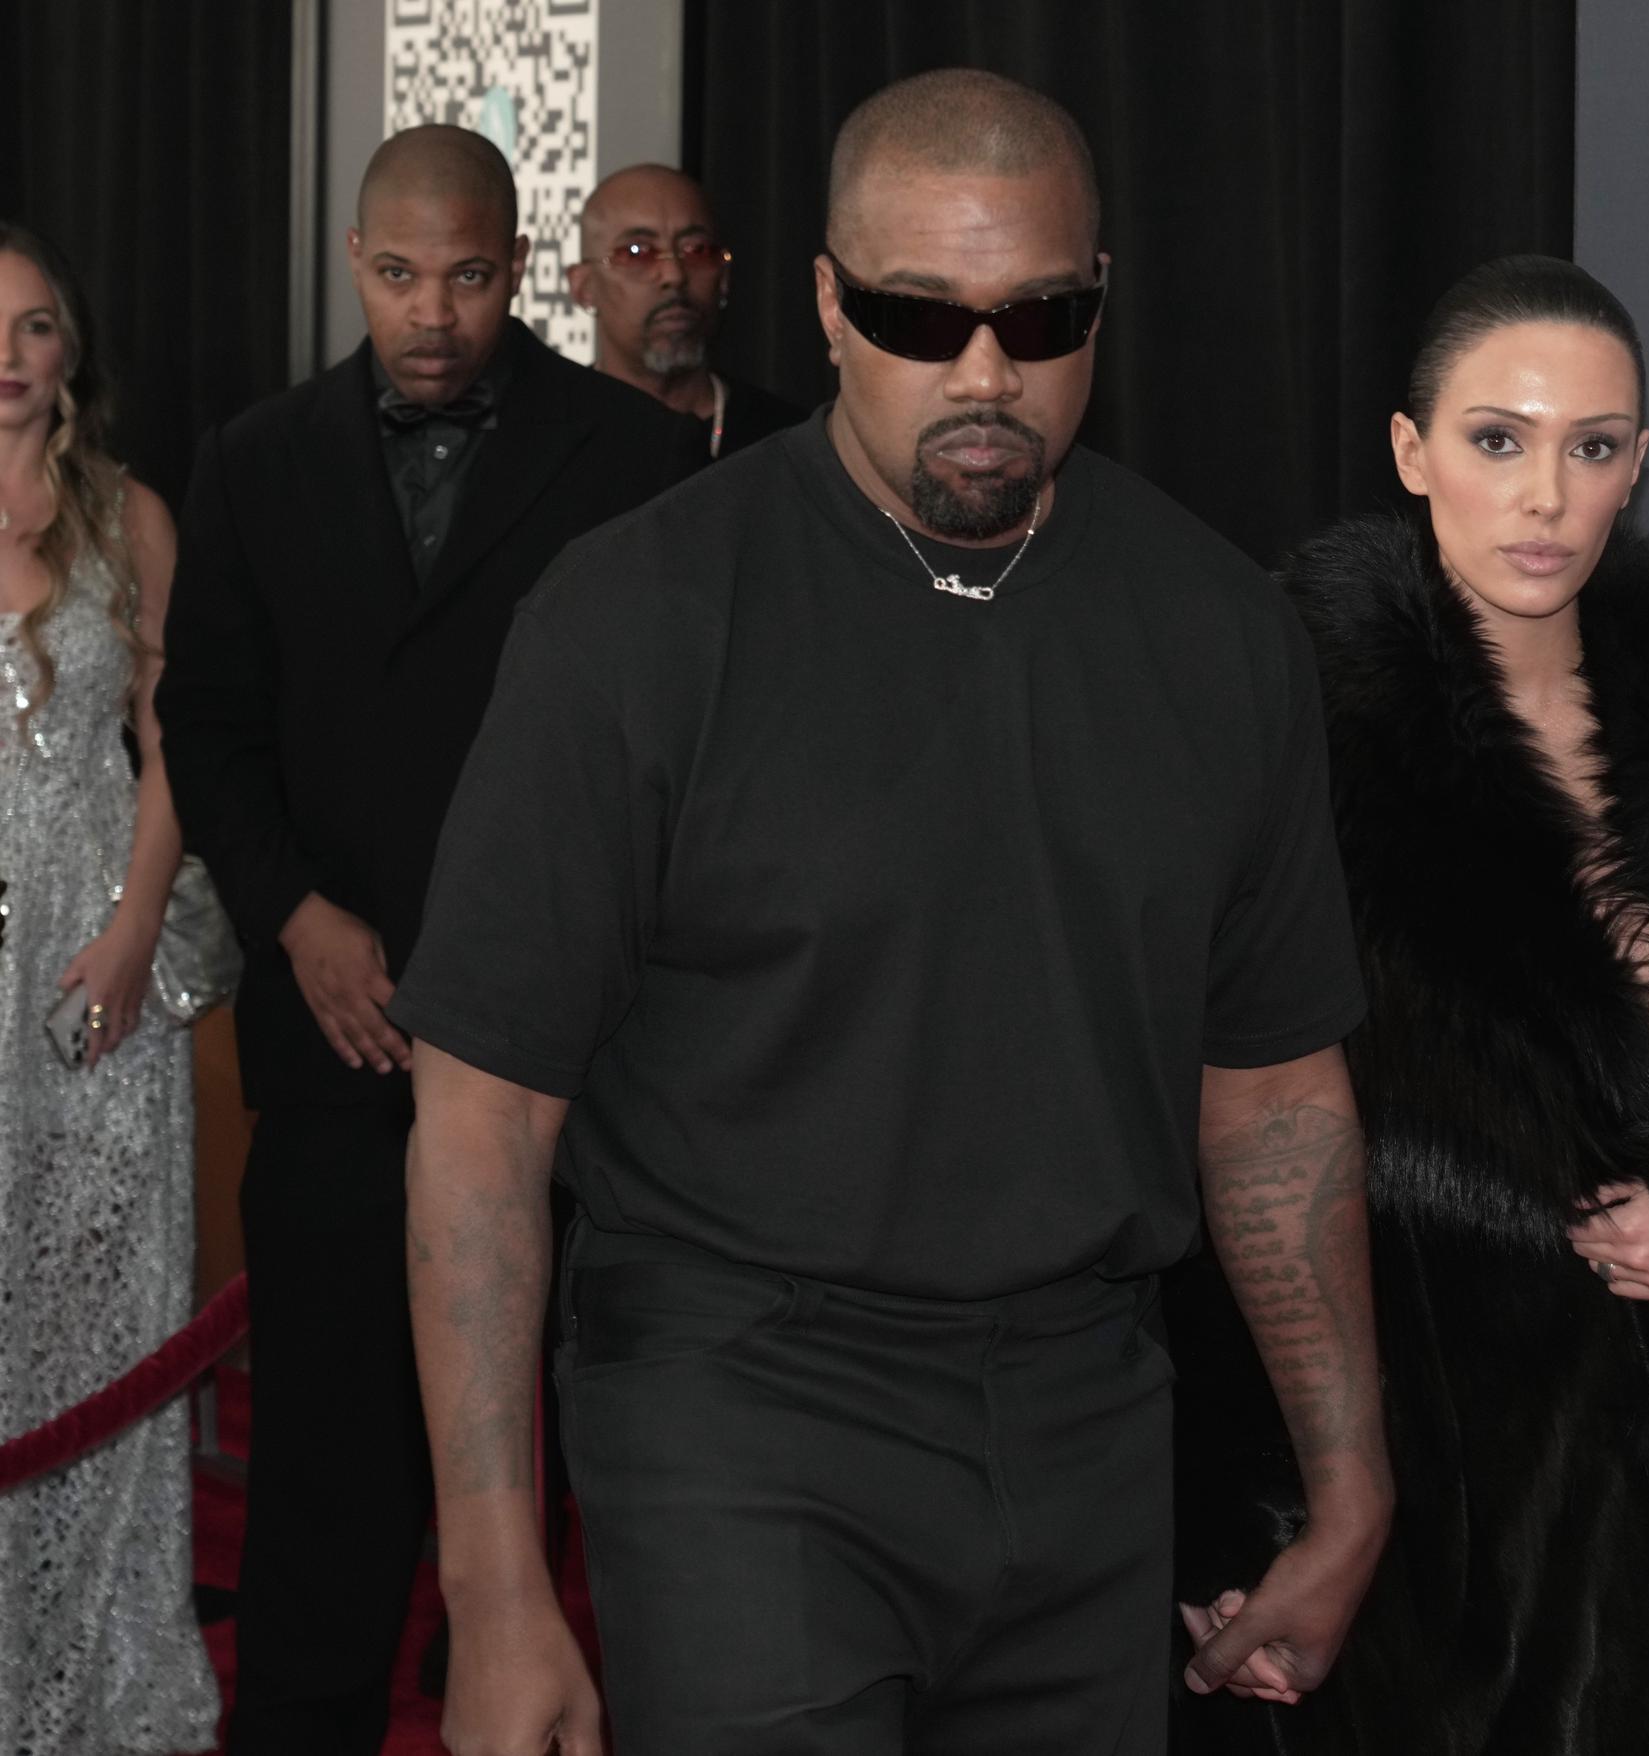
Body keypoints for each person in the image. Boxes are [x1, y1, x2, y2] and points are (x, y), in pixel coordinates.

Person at [391, 68, 1392, 1756]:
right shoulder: (638, 619)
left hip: (1089, 1413)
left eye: (1040, 316)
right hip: (736, 1405)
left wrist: (1350, 1486)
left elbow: (1278, 1091)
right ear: (827, 308)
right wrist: (496, 1593)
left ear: (1102, 305)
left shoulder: (1223, 634)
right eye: (922, 319)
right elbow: (482, 1120)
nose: (986, 374)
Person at [1170, 256, 1649, 1754]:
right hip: (1422, 1547)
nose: (1545, 494)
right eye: (1498, 439)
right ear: (1413, 453)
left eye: (1591, 448)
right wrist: (1229, 1512)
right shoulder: (1280, 729)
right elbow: (1192, 1133)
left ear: (1639, 467)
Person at [155, 125, 697, 1755]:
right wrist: (296, 916)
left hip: (593, 1090)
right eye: (401, 275)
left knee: (629, 1523)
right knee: (326, 1514)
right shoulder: (255, 460)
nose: (435, 312)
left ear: (515, 266)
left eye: (467, 275)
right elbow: (209, 723)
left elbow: (678, 753)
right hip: (338, 1061)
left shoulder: (632, 460)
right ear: (354, 264)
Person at [0, 220, 220, 1756]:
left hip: (95, 968)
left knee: (104, 1318)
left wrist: (140, 925)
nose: (5, 357)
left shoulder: (128, 517)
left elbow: (180, 742)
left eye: (29, 327)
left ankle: (102, 1689)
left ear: (69, 351)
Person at [568, 163, 804, 459]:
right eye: (637, 253)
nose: (674, 275)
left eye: (698, 250)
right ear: (583, 287)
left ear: (724, 278)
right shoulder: (546, 441)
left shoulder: (786, 443)